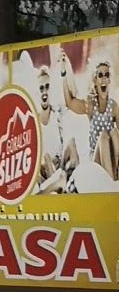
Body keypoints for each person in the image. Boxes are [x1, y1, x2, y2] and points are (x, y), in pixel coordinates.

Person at [60, 50, 119, 181]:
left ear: (109, 79)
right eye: (100, 75)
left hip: (113, 160)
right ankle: (110, 184)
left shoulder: (114, 106)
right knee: (104, 136)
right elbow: (69, 102)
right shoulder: (91, 104)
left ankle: (114, 179)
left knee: (114, 132)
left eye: (107, 75)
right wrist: (64, 73)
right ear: (95, 80)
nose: (104, 78)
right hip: (96, 163)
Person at [35, 65, 78, 191]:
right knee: (46, 157)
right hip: (44, 169)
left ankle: (72, 183)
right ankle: (59, 186)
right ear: (38, 92)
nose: (44, 91)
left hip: (60, 164)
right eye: (41, 88)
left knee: (72, 143)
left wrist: (65, 70)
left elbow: (73, 94)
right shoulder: (33, 120)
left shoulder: (57, 112)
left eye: (47, 87)